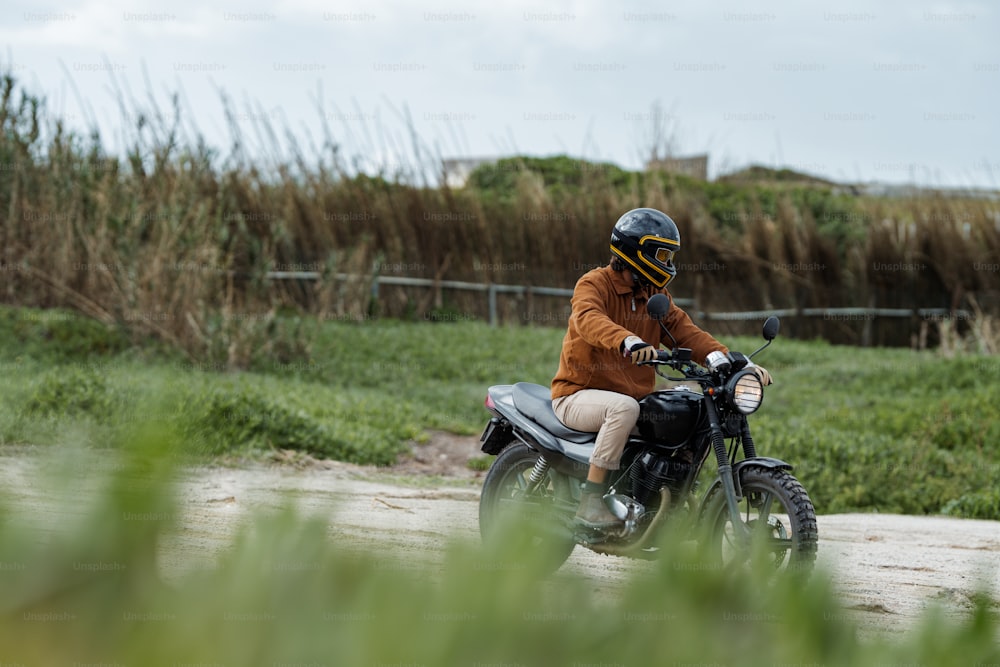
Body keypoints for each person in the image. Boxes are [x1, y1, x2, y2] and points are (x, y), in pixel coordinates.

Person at [550, 207, 772, 530]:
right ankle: (590, 501)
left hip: (630, 397)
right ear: (635, 252)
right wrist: (626, 341)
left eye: (670, 257)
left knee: (686, 411)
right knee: (624, 408)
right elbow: (588, 320)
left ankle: (660, 499)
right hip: (576, 395)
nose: (668, 265)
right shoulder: (594, 284)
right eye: (662, 255)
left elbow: (686, 332)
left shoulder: (655, 295)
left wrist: (731, 360)